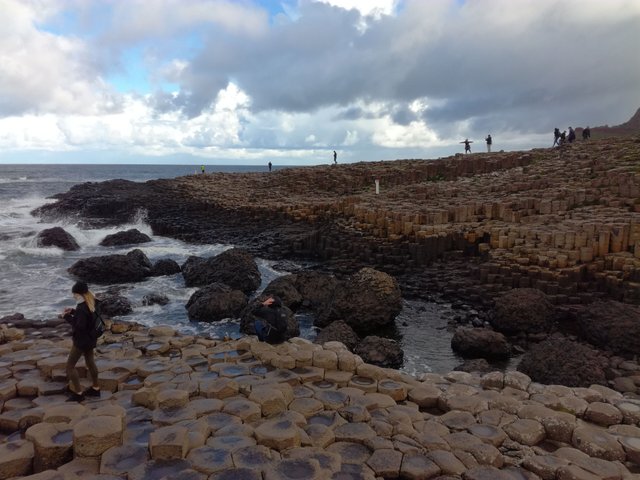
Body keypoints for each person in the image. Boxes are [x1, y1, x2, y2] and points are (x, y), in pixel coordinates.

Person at [61, 282, 101, 401]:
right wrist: (73, 312)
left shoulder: (82, 307)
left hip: (81, 341)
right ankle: (96, 388)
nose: (73, 296)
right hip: (91, 338)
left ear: (78, 294)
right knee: (90, 362)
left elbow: (79, 327)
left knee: (70, 367)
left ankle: (78, 393)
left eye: (74, 294)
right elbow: (87, 318)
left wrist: (66, 317)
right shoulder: (93, 301)